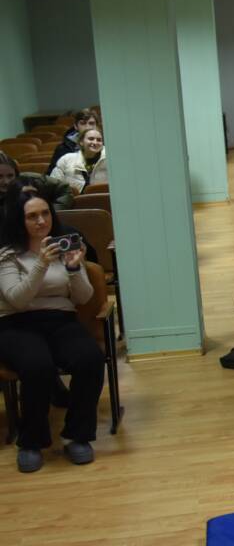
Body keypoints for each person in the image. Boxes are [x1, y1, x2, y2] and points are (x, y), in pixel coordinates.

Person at [0, 190, 105, 473]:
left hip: (59, 319)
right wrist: (41, 264)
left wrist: (73, 269)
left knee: (90, 359)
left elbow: (83, 298)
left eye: (45, 213)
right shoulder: (8, 255)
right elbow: (17, 299)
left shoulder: (65, 248)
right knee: (37, 366)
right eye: (32, 216)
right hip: (17, 323)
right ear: (19, 221)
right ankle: (31, 442)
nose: (41, 221)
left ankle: (77, 436)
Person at [0, 152, 74, 213]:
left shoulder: (32, 180)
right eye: (0, 177)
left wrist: (52, 213)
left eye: (10, 176)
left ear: (16, 174)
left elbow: (64, 189)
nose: (6, 182)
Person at [50, 129, 108, 194]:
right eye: (91, 139)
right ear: (81, 142)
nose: (95, 142)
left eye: (99, 140)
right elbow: (53, 186)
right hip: (72, 201)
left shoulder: (110, 160)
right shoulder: (66, 159)